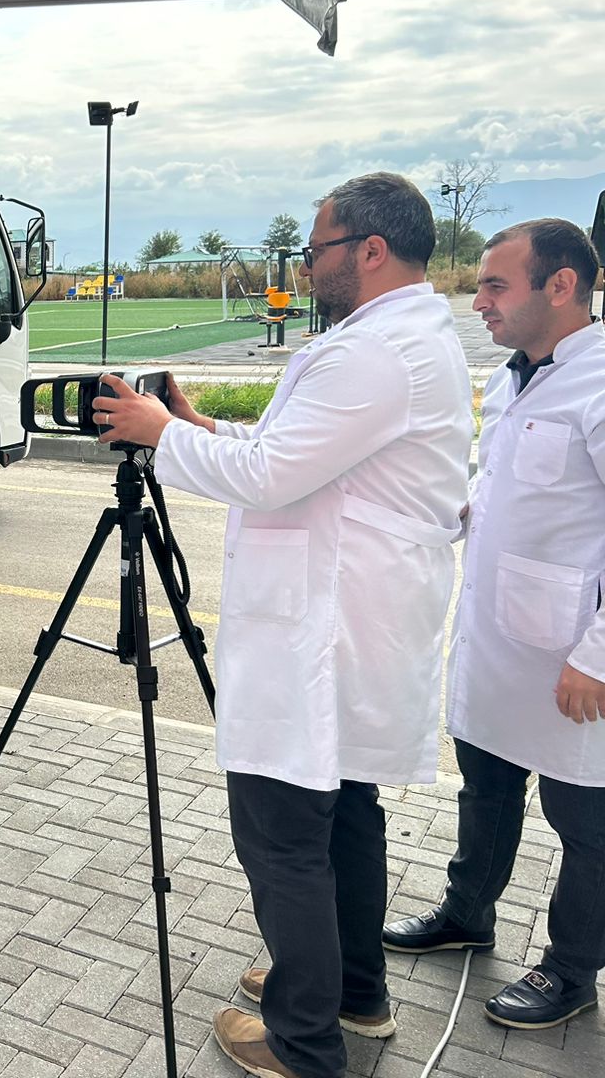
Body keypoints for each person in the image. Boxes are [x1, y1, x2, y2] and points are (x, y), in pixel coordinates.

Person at [93, 172, 473, 1078]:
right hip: (346, 623)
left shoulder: (374, 354)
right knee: (342, 821)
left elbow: (274, 479)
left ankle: (305, 1043)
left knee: (282, 836)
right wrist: (195, 427)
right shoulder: (397, 339)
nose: (306, 267)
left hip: (323, 633)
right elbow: (292, 455)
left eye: (317, 250)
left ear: (370, 251)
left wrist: (152, 432)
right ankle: (353, 992)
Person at [382, 218, 605, 1030]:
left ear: (562, 286)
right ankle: (467, 915)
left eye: (494, 286)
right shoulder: (514, 378)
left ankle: (572, 970)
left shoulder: (601, 383)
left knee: (588, 827)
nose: (477, 301)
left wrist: (598, 657)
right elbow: (503, 490)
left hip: (574, 661)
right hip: (499, 646)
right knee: (488, 791)